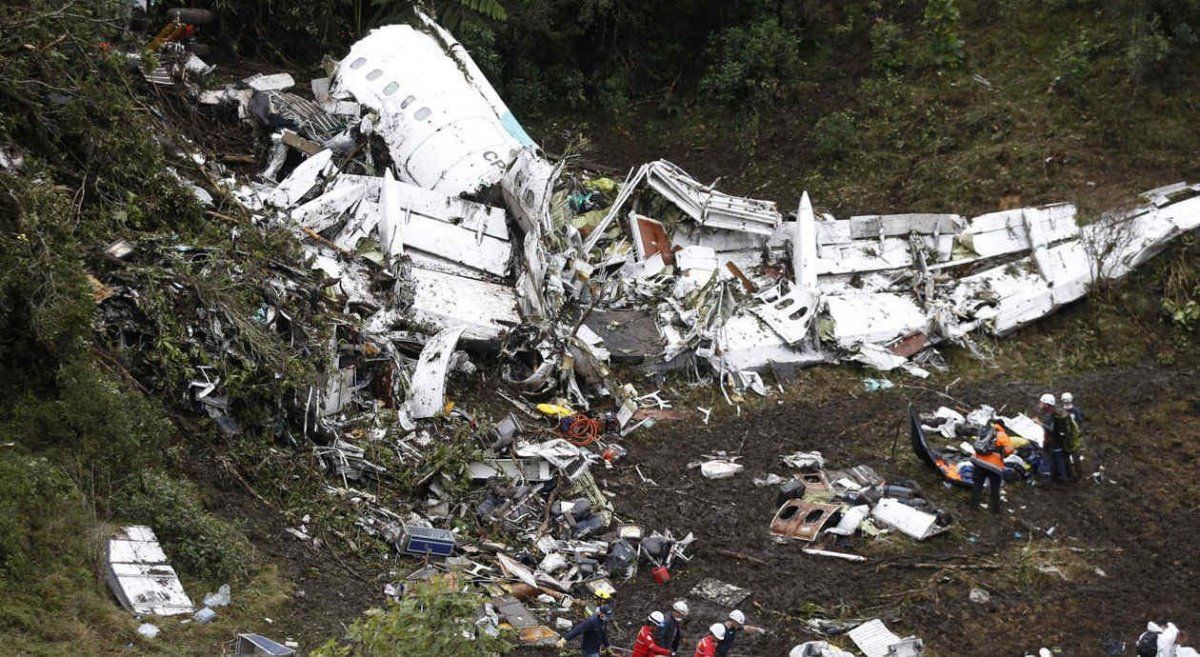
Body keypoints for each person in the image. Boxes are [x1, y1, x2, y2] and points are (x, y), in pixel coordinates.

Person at [970, 423, 1014, 513]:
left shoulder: (985, 431)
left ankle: (973, 507)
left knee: (977, 485)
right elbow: (1009, 449)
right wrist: (1004, 454)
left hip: (978, 462)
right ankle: (995, 510)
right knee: (994, 488)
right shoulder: (1002, 434)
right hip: (994, 466)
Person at [1061, 392, 1084, 481]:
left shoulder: (1076, 411)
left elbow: (1079, 423)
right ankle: (1071, 474)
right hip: (1066, 438)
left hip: (1073, 438)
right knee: (1067, 457)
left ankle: (1078, 474)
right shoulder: (1061, 411)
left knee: (1074, 457)